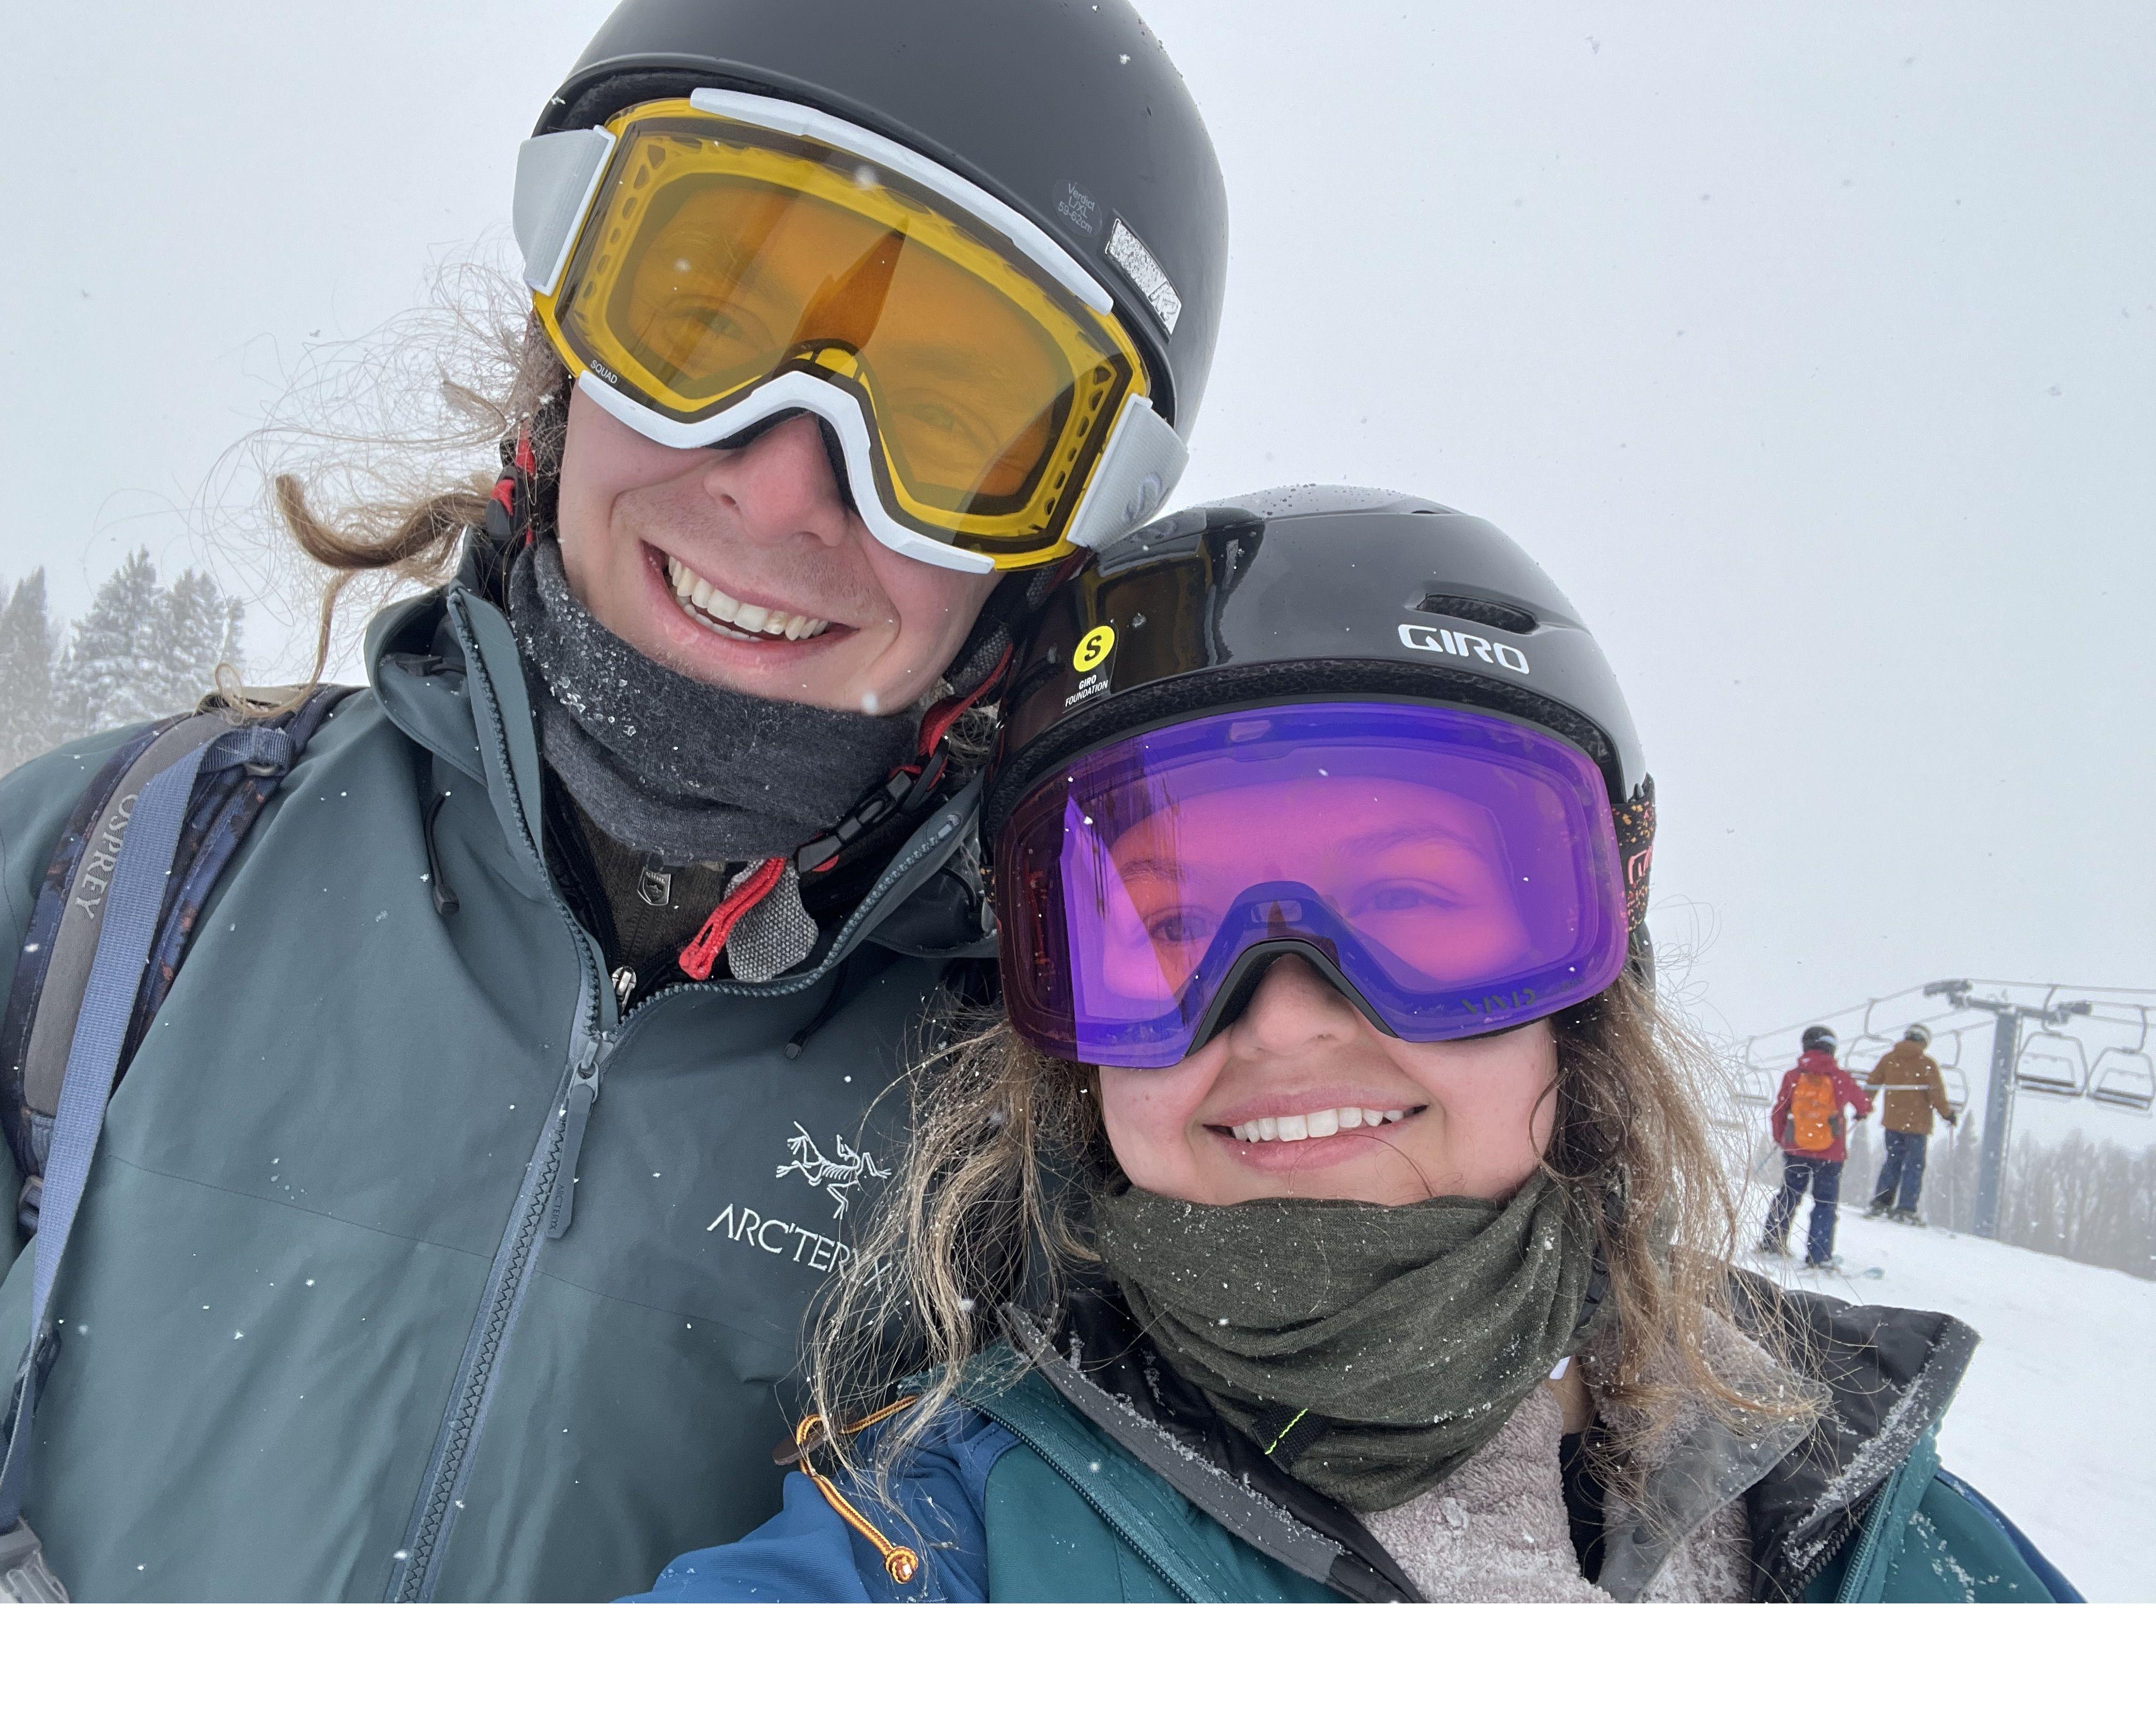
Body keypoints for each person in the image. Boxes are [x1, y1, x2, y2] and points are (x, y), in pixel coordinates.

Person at [0, 0, 1228, 1601]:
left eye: (941, 424)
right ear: (563, 347)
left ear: (1052, 540)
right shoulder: (126, 875)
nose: (782, 483)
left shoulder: (1056, 1100)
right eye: (705, 326)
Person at [625, 489, 2073, 1604]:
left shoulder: (1837, 1502)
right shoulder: (944, 1548)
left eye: (1414, 911)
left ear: (1586, 987)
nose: (1289, 1015)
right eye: (1169, 939)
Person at [1761, 1026, 1874, 1269]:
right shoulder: (1840, 1078)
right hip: (1830, 1153)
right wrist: (1862, 1112)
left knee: (1789, 1195)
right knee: (1825, 1203)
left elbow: (1780, 1111)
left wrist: (1782, 1139)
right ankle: (1819, 1255)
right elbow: (1864, 1105)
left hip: (1797, 1149)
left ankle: (1772, 1242)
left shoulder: (1793, 1076)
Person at [1865, 1024, 1957, 1223]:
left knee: (1892, 1162)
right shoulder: (1926, 1064)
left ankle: (1881, 1202)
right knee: (1914, 1167)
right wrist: (1947, 1114)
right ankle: (1906, 1208)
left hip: (1892, 1121)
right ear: (1924, 1042)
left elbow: (1873, 1083)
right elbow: (1937, 1094)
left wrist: (1863, 1106)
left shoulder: (1889, 1060)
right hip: (1917, 1125)